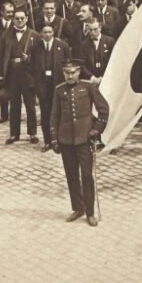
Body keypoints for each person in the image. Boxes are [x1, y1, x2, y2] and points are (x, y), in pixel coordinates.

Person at [49, 58, 109, 227]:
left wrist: (97, 129)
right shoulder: (59, 90)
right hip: (66, 139)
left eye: (73, 72)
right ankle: (78, 208)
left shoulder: (88, 87)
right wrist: (54, 138)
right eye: (66, 73)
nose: (69, 75)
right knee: (71, 176)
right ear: (63, 73)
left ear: (79, 72)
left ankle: (90, 212)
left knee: (86, 176)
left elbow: (104, 109)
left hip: (84, 139)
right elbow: (54, 116)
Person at [0, 8, 40, 145]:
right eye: (17, 18)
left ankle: (32, 133)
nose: (20, 21)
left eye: (22, 18)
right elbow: (0, 56)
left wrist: (29, 58)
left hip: (27, 75)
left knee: (30, 105)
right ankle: (14, 133)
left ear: (27, 18)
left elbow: (39, 57)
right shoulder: (6, 35)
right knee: (14, 105)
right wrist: (0, 75)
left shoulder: (34, 35)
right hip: (12, 75)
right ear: (13, 19)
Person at [33, 24, 70, 152]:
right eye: (45, 32)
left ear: (53, 33)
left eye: (50, 32)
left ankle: (60, 141)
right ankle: (48, 141)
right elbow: (33, 68)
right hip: (43, 86)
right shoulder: (36, 47)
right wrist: (37, 88)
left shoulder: (62, 46)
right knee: (45, 115)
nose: (47, 35)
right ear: (41, 34)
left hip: (58, 85)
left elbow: (68, 65)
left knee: (60, 113)